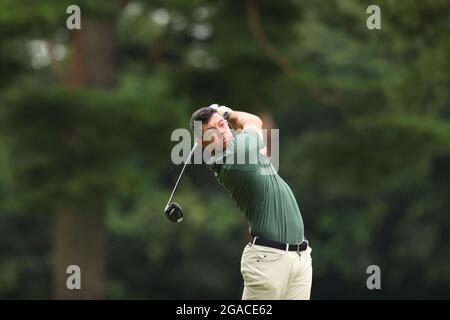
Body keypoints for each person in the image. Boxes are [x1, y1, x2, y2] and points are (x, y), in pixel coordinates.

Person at [190, 105, 312, 300]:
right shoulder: (234, 157)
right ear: (203, 143)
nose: (222, 132)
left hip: (300, 257)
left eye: (222, 125)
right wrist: (227, 113)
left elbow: (252, 136)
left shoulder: (241, 149)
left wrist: (225, 118)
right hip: (268, 260)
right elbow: (254, 121)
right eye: (212, 132)